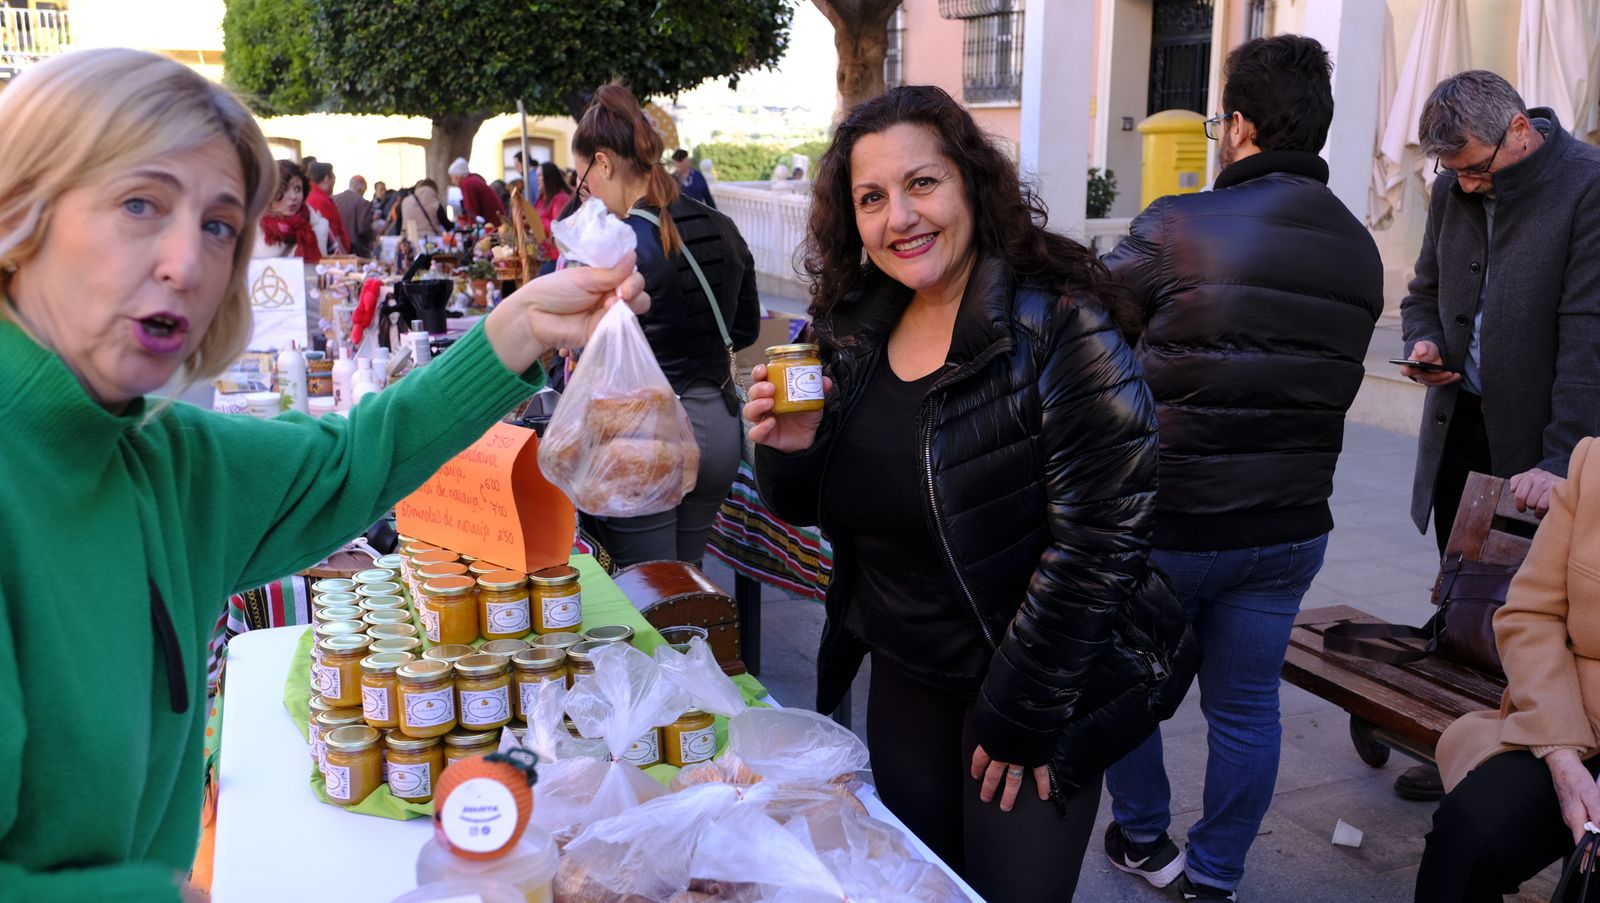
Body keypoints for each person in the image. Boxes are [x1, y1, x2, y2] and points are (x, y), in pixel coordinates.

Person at [0, 47, 647, 899]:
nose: (187, 263)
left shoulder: (161, 455)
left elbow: (351, 462)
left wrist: (521, 326)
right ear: (20, 216)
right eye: (139, 203)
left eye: (220, 224)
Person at [745, 85, 1198, 901]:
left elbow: (1104, 540)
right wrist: (789, 453)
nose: (900, 218)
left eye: (922, 184)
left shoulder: (1060, 324)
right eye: (872, 198)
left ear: (969, 183)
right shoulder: (854, 328)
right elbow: (818, 508)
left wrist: (1023, 708)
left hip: (1032, 686)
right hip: (904, 678)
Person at [1098, 35, 1384, 901]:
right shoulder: (1360, 248)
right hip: (1291, 526)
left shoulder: (1176, 223)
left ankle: (1144, 837)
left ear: (1243, 127)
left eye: (1224, 118)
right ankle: (1216, 873)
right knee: (1248, 709)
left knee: (1121, 682)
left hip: (1172, 521)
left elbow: (1084, 319)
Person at [1397, 69, 1600, 803]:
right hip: (1460, 422)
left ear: (1520, 129)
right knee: (1466, 595)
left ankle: (1539, 755)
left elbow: (1589, 336)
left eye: (1475, 169)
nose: (1466, 186)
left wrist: (1561, 460)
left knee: (1535, 609)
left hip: (1544, 440)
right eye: (1452, 174)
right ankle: (1466, 735)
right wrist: (1426, 344)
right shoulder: (1456, 184)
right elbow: (1422, 292)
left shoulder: (1587, 185)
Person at [569, 84, 760, 569]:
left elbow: (587, 350)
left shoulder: (617, 245)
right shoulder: (722, 226)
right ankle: (698, 647)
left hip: (647, 440)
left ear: (604, 163)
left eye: (582, 179)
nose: (584, 192)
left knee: (649, 596)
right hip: (719, 428)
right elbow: (745, 331)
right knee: (688, 586)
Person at [1415, 438, 1600, 901]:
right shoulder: (1592, 464)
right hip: (1573, 716)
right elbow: (1530, 614)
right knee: (1468, 835)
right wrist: (1561, 755)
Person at [254, 159, 323, 263]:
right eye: (285, 189)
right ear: (269, 193)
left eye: (297, 189)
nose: (293, 197)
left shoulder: (315, 223)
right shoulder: (252, 229)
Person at [303, 160, 351, 255]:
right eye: (333, 178)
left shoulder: (311, 194)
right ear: (326, 178)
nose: (334, 183)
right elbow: (333, 235)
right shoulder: (321, 200)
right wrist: (345, 259)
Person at [533, 161, 572, 276]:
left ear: (549, 177)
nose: (537, 179)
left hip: (556, 256)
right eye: (536, 176)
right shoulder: (542, 198)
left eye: (540, 175)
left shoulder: (560, 198)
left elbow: (558, 227)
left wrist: (536, 221)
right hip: (543, 254)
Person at [447, 156, 505, 227]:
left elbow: (472, 211)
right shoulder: (473, 180)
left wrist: (471, 231)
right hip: (497, 222)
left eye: (452, 177)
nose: (452, 181)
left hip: (493, 226)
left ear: (458, 176)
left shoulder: (467, 184)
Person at [332, 174, 373, 258]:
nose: (365, 191)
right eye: (365, 188)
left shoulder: (334, 199)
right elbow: (363, 228)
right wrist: (374, 236)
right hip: (356, 249)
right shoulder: (362, 202)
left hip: (337, 246)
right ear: (361, 187)